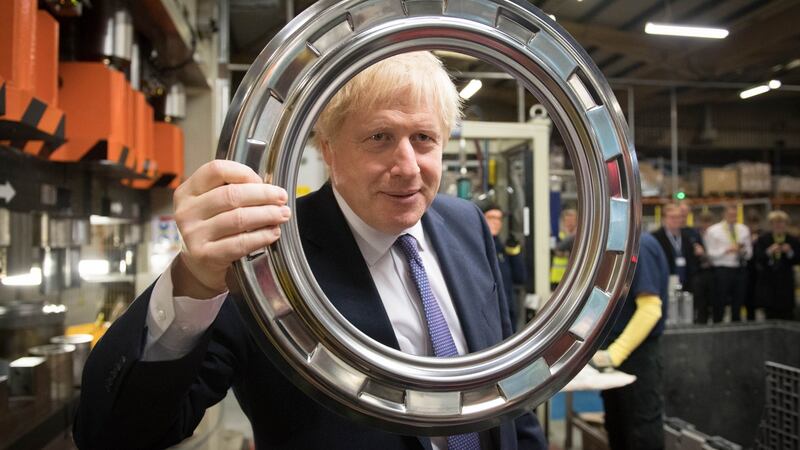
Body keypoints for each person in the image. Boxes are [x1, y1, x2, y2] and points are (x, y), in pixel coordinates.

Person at [73, 52, 546, 450]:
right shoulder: (268, 254)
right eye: (380, 137)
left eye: (423, 138)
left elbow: (502, 383)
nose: (407, 167)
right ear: (327, 149)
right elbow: (117, 433)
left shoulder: (464, 224)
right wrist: (193, 282)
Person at [592, 233, 669, 450]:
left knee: (641, 431)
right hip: (615, 358)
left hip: (637, 358)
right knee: (617, 427)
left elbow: (650, 310)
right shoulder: (615, 247)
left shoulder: (639, 245)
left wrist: (615, 353)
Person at [480, 202, 527, 331]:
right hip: (487, 315)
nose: (496, 222)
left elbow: (520, 277)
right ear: (481, 219)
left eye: (499, 219)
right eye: (491, 218)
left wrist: (514, 253)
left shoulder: (502, 247)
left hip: (507, 309)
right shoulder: (477, 247)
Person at [704, 204, 752, 322]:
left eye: (735, 214)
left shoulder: (743, 229)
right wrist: (726, 250)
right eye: (730, 214)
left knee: (738, 301)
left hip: (739, 269)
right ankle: (717, 325)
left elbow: (750, 253)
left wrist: (742, 250)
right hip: (722, 270)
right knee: (719, 301)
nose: (733, 216)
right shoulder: (713, 230)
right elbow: (709, 253)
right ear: (724, 214)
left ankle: (736, 326)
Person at [754, 210, 800, 320]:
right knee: (770, 313)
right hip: (769, 282)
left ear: (786, 224)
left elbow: (798, 258)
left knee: (787, 313)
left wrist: (789, 252)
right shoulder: (763, 239)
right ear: (771, 224)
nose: (779, 225)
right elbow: (757, 258)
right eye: (775, 222)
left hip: (786, 281)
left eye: (781, 222)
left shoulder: (792, 239)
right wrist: (769, 251)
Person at [652, 204, 704, 292]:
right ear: (664, 219)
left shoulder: (687, 237)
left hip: (687, 283)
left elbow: (694, 262)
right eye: (672, 217)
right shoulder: (656, 237)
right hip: (665, 282)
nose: (676, 220)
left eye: (679, 217)